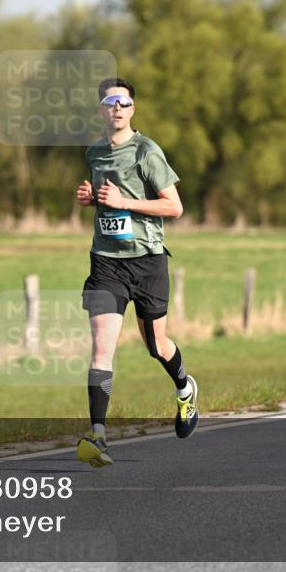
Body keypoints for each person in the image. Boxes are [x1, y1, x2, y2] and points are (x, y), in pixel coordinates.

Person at [74, 77, 198, 468]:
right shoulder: (94, 153)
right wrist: (91, 199)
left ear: (133, 110)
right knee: (100, 348)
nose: (118, 108)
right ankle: (99, 437)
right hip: (106, 262)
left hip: (146, 262)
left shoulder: (147, 152)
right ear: (101, 109)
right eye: (111, 102)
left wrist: (125, 202)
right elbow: (105, 200)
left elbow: (174, 207)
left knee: (156, 346)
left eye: (124, 103)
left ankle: (184, 388)